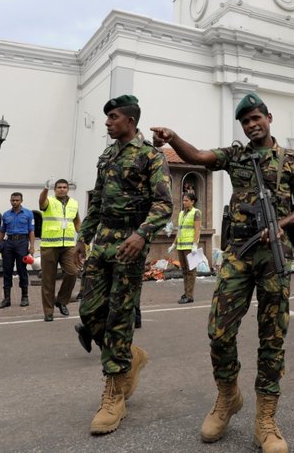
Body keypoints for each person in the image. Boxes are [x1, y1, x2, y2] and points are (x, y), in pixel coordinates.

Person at [151, 91, 294, 453]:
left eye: (257, 118)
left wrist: (282, 223)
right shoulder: (237, 155)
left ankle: (266, 419)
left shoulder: (291, 161)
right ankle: (228, 397)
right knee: (219, 331)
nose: (252, 124)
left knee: (272, 337)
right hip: (238, 254)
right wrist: (172, 137)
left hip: (273, 255)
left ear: (269, 118)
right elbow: (197, 157)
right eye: (246, 121)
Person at [75, 95, 173, 436]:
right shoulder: (107, 156)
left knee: (118, 317)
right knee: (89, 313)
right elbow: (98, 200)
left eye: (113, 117)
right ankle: (131, 355)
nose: (107, 122)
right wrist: (82, 238)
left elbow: (163, 205)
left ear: (130, 121)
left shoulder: (151, 157)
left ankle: (114, 394)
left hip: (129, 246)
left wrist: (142, 235)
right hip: (102, 242)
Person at [39, 178, 80, 321]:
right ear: (55, 189)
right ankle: (48, 312)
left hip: (68, 245)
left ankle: (61, 301)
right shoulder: (49, 200)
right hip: (49, 246)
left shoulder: (74, 203)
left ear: (68, 189)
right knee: (48, 280)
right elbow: (41, 203)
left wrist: (82, 240)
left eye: (64, 187)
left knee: (73, 272)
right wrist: (45, 189)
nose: (62, 189)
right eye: (59, 187)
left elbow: (76, 221)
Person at [0, 192, 35, 309]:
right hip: (9, 243)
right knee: (7, 271)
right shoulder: (6, 215)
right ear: (10, 201)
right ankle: (6, 299)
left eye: (17, 200)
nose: (15, 202)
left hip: (22, 243)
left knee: (22, 270)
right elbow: (1, 232)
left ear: (21, 201)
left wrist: (32, 246)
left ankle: (24, 297)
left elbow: (31, 231)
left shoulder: (28, 213)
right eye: (13, 200)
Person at [175, 191, 201, 304]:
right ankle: (186, 293)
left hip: (190, 246)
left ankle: (190, 296)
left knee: (191, 271)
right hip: (181, 246)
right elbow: (179, 230)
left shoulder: (196, 213)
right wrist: (173, 243)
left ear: (192, 201)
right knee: (184, 271)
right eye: (183, 200)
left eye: (186, 200)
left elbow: (197, 229)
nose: (184, 202)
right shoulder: (181, 213)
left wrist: (195, 244)